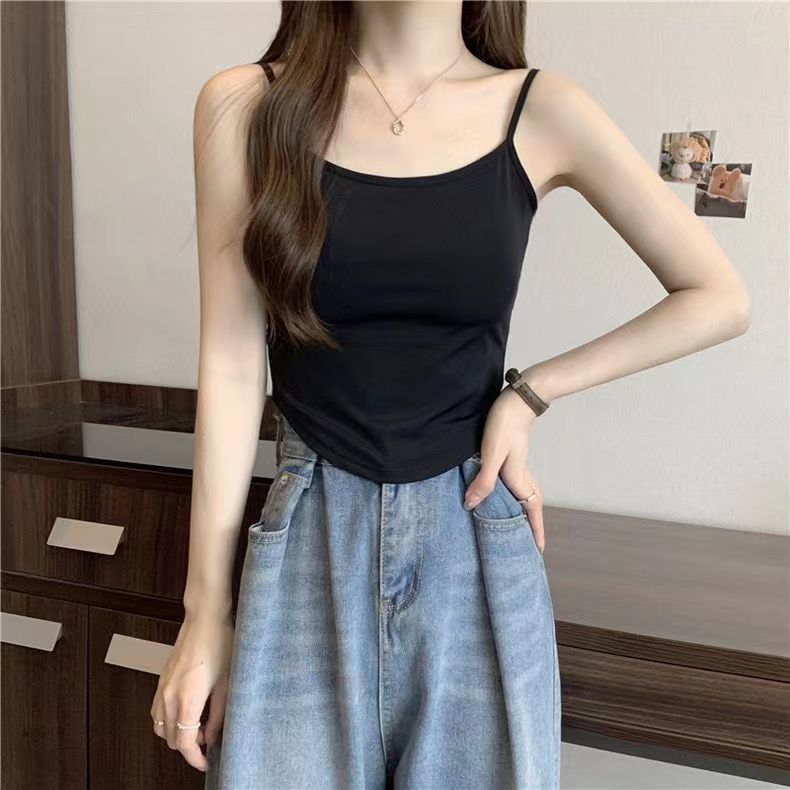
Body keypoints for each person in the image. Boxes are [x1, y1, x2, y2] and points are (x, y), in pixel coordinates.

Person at [150, 2, 751, 788]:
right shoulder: (246, 107)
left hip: (471, 535)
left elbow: (717, 296)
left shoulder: (542, 110)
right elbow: (232, 365)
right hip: (308, 541)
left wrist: (530, 393)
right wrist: (205, 614)